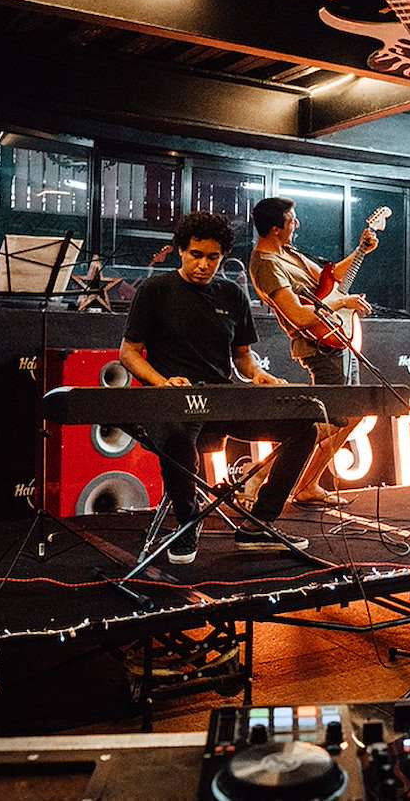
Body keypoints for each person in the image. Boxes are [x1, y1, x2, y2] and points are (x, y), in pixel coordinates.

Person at [119, 211, 318, 564]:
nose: (203, 265)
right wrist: (163, 383)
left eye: (213, 258)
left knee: (303, 429)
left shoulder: (232, 295)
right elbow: (129, 353)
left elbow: (243, 358)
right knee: (179, 440)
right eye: (196, 255)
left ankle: (260, 523)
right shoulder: (155, 291)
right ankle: (187, 522)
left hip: (221, 402)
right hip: (171, 403)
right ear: (181, 250)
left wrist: (258, 374)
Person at [244, 196, 378, 507]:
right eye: (292, 220)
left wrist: (360, 251)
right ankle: (257, 473)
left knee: (353, 415)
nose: (297, 224)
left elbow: (330, 280)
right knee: (328, 421)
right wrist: (343, 303)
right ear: (277, 228)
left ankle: (308, 485)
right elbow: (300, 316)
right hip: (318, 344)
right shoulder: (266, 264)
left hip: (336, 337)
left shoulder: (287, 253)